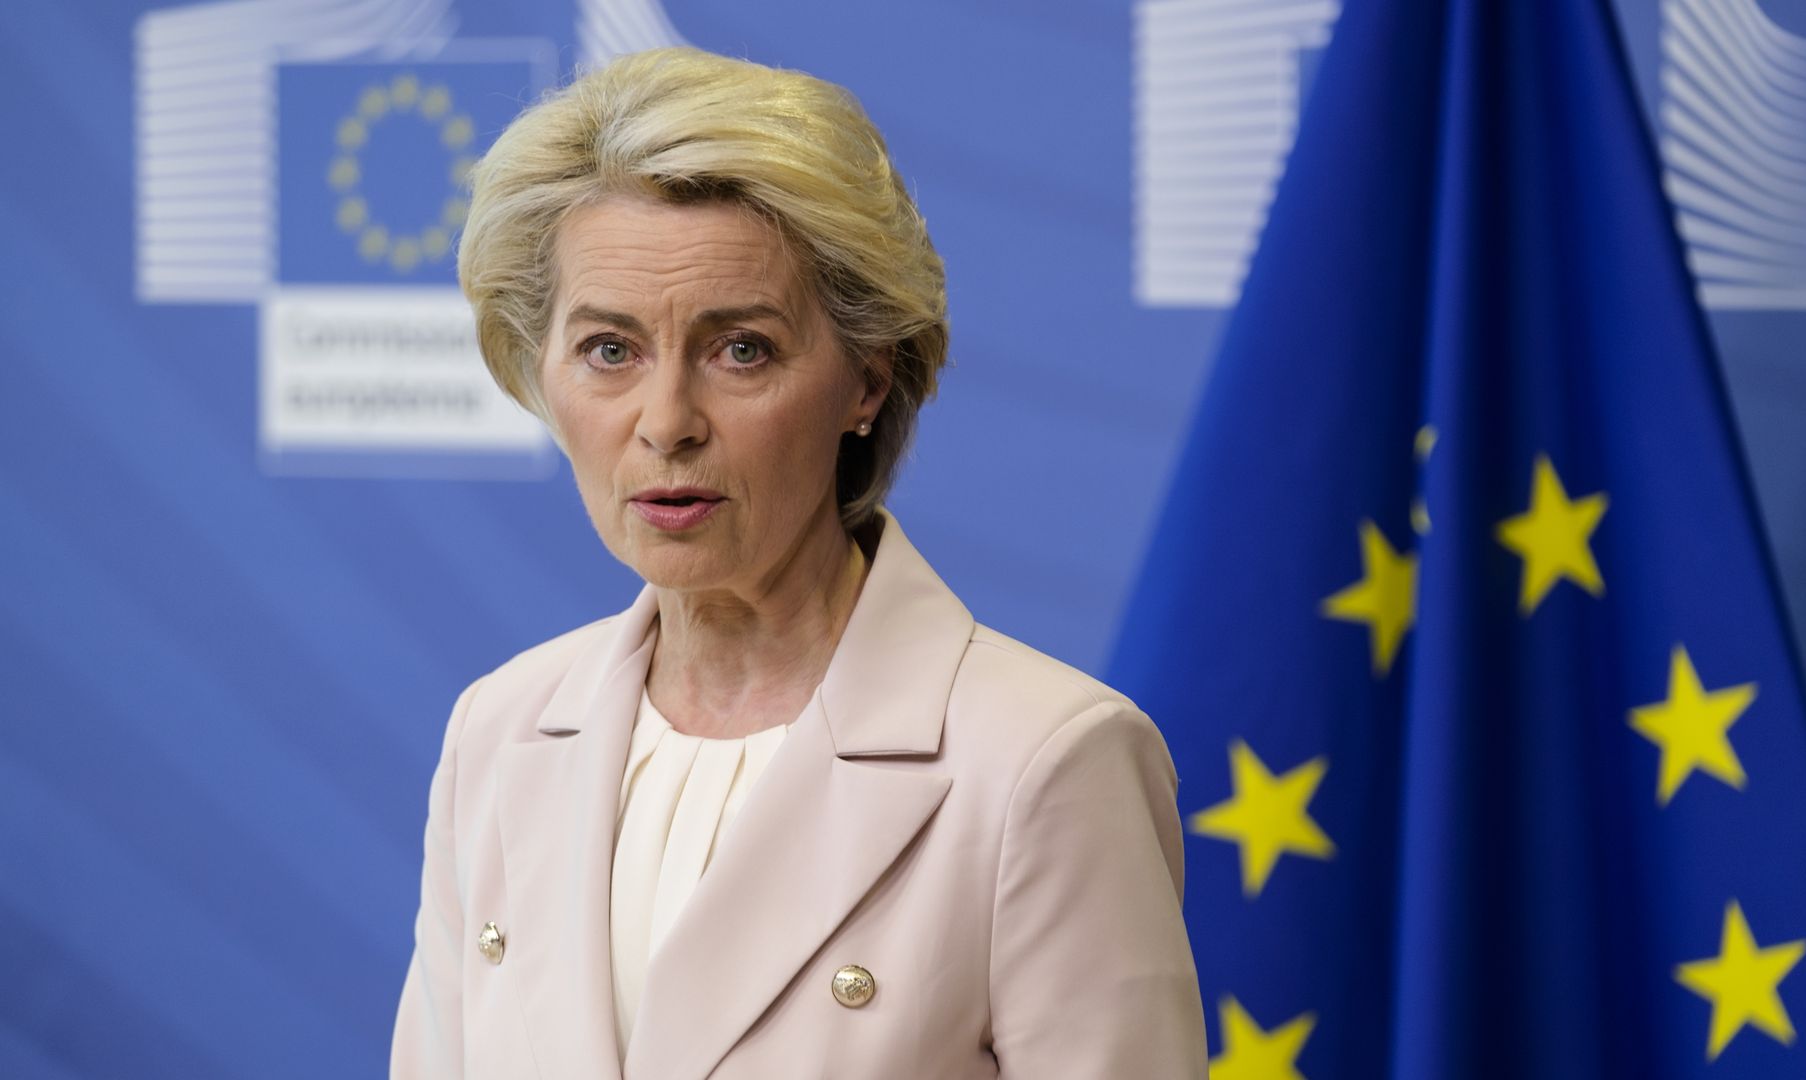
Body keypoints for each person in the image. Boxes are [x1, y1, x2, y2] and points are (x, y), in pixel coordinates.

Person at [390, 46, 1206, 1080]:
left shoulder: (1045, 759)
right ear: (537, 367)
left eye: (742, 350)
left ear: (867, 380)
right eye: (610, 349)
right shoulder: (499, 732)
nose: (667, 423)